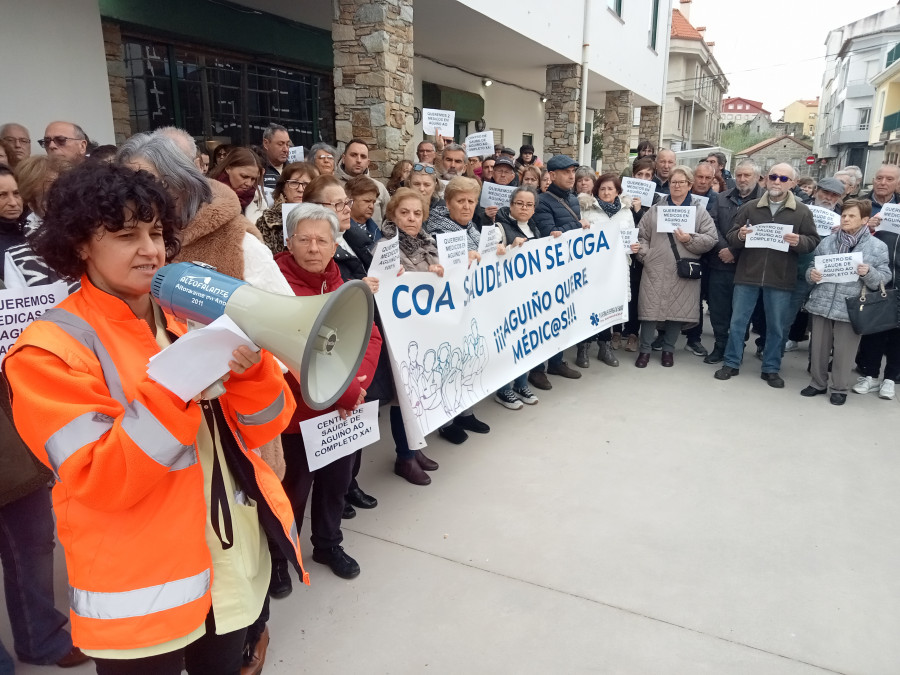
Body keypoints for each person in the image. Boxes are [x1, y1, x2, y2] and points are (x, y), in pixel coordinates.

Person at [4, 161, 303, 673]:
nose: (152, 250)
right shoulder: (46, 352)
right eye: (126, 235)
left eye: (157, 232)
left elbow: (262, 428)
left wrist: (252, 374)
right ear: (79, 244)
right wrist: (178, 387)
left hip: (228, 565)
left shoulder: (184, 317)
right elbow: (102, 477)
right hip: (142, 595)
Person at [272, 204, 381, 580]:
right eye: (304, 239)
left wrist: (357, 386)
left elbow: (370, 337)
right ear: (289, 242)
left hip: (342, 413)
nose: (314, 248)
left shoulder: (345, 285)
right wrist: (345, 390)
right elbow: (286, 351)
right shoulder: (274, 285)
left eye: (322, 240)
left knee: (336, 483)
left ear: (336, 245)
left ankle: (328, 543)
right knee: (292, 491)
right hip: (296, 414)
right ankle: (278, 556)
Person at [714, 164, 820, 388]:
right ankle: (731, 362)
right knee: (738, 322)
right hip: (747, 274)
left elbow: (812, 241)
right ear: (765, 180)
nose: (777, 181)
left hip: (780, 278)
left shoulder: (801, 211)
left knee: (777, 326)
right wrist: (740, 235)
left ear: (792, 183)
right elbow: (732, 235)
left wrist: (799, 241)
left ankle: (771, 368)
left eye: (783, 178)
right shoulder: (751, 207)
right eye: (773, 177)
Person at [377, 189, 444, 485]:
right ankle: (404, 457)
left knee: (419, 393)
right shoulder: (385, 247)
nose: (411, 219)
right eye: (404, 213)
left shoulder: (428, 242)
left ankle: (416, 448)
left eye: (417, 213)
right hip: (400, 335)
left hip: (424, 329)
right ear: (393, 214)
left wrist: (439, 271)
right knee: (401, 399)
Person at [802, 199, 890, 405]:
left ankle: (839, 388)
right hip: (823, 301)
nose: (846, 219)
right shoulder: (828, 241)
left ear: (865, 220)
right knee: (819, 347)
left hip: (852, 304)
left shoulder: (877, 246)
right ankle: (817, 383)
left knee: (845, 350)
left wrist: (869, 272)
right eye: (844, 215)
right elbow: (812, 267)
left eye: (852, 216)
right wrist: (811, 275)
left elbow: (884, 278)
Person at [634, 165, 717, 367]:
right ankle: (644, 350)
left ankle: (668, 350)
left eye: (681, 182)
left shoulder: (699, 212)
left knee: (675, 311)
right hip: (656, 266)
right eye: (673, 182)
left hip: (683, 268)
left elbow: (711, 239)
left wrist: (690, 239)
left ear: (689, 185)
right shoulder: (655, 209)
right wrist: (647, 255)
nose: (677, 186)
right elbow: (641, 235)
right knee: (650, 311)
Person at [528, 155, 586, 388]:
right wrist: (577, 227)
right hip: (547, 272)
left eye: (573, 171)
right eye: (565, 172)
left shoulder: (573, 199)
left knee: (562, 318)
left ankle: (557, 361)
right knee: (544, 320)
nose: (571, 176)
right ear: (552, 175)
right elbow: (549, 234)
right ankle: (537, 369)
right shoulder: (542, 201)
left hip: (567, 270)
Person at [578, 173, 642, 366]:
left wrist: (634, 247)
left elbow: (630, 237)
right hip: (593, 267)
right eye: (602, 189)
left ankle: (604, 347)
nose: (606, 192)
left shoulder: (626, 212)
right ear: (596, 190)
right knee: (589, 306)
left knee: (609, 306)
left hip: (617, 267)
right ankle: (584, 347)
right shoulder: (587, 210)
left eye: (610, 189)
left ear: (618, 191)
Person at [705, 160, 762, 364]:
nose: (742, 179)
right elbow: (711, 225)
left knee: (741, 312)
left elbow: (764, 233)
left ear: (756, 177)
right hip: (720, 263)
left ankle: (735, 347)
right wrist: (723, 249)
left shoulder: (764, 201)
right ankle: (720, 345)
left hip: (748, 265)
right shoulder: (721, 198)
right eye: (739, 175)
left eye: (747, 175)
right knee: (719, 309)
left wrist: (735, 253)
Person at [493, 186, 543, 409]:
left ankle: (521, 384)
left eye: (529, 204)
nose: (524, 208)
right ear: (511, 205)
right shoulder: (498, 229)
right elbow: (491, 257)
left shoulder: (534, 227)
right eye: (520, 203)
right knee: (509, 344)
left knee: (528, 342)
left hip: (530, 295)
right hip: (508, 297)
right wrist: (510, 248)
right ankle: (503, 390)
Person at [854, 182, 900, 400]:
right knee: (875, 330)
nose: (883, 183)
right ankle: (870, 375)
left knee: (897, 335)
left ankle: (890, 378)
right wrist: (870, 226)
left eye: (889, 179)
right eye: (880, 178)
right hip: (880, 281)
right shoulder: (879, 210)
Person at [255, 161, 318, 255]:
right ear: (283, 187)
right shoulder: (265, 222)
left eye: (306, 185)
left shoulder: (322, 219)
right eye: (294, 183)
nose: (300, 189)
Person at [336, 138, 390, 225]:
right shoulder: (332, 186)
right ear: (343, 158)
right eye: (353, 155)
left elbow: (389, 221)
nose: (358, 160)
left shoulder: (380, 188)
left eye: (363, 156)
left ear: (368, 162)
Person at [209, 147, 265, 221]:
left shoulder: (258, 197)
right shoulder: (207, 196)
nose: (249, 183)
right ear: (228, 168)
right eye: (244, 176)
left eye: (253, 179)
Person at [347, 175, 383, 244]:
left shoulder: (375, 228)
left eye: (373, 202)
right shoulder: (342, 230)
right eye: (367, 201)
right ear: (350, 200)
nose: (371, 206)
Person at [261, 123, 291, 196]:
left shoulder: (293, 170)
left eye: (287, 144)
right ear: (266, 143)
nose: (286, 149)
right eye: (280, 144)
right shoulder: (257, 169)